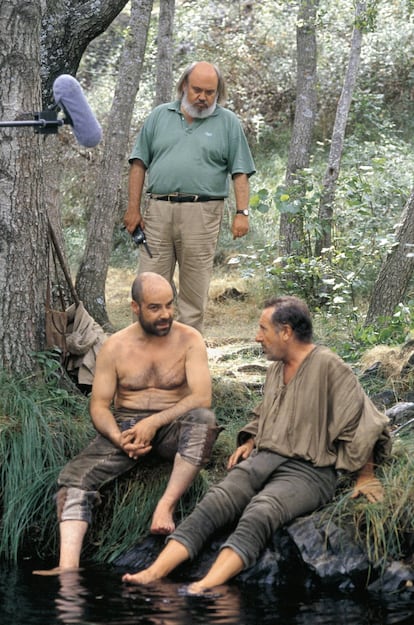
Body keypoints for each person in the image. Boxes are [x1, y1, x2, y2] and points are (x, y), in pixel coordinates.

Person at [121, 295, 391, 593]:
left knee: (261, 511)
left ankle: (205, 584)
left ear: (286, 331)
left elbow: (364, 420)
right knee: (215, 501)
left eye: (263, 329)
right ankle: (153, 572)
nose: (257, 336)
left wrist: (366, 476)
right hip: (266, 458)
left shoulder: (328, 365)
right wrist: (250, 439)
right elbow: (267, 410)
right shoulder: (277, 366)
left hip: (311, 471)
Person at [33, 272, 219, 575]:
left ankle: (166, 506)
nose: (166, 315)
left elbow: (201, 397)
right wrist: (119, 438)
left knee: (204, 422)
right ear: (135, 307)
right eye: (155, 308)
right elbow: (99, 405)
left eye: (169, 306)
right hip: (126, 428)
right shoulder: (115, 346)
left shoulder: (189, 339)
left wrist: (155, 423)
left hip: (173, 424)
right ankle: (67, 568)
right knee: (73, 479)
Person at [123, 61, 256, 333]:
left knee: (194, 290)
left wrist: (242, 213)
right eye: (197, 89)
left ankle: (185, 358)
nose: (203, 97)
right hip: (158, 210)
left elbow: (240, 171)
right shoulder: (160, 116)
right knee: (149, 284)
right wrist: (133, 209)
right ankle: (145, 355)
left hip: (203, 212)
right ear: (184, 85)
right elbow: (138, 164)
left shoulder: (228, 122)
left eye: (210, 92)